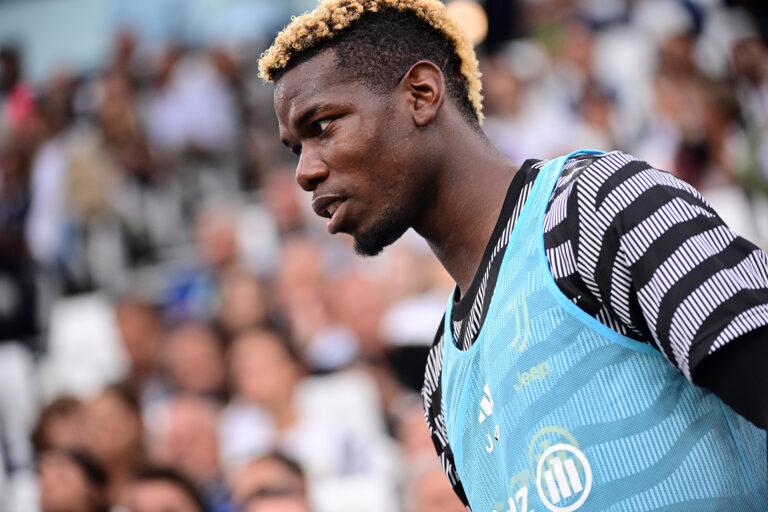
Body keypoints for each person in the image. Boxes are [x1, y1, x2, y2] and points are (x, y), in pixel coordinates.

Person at [258, 1, 768, 510]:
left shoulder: (595, 206)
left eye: (323, 124)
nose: (304, 171)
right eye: (294, 148)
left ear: (421, 94)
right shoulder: (441, 381)